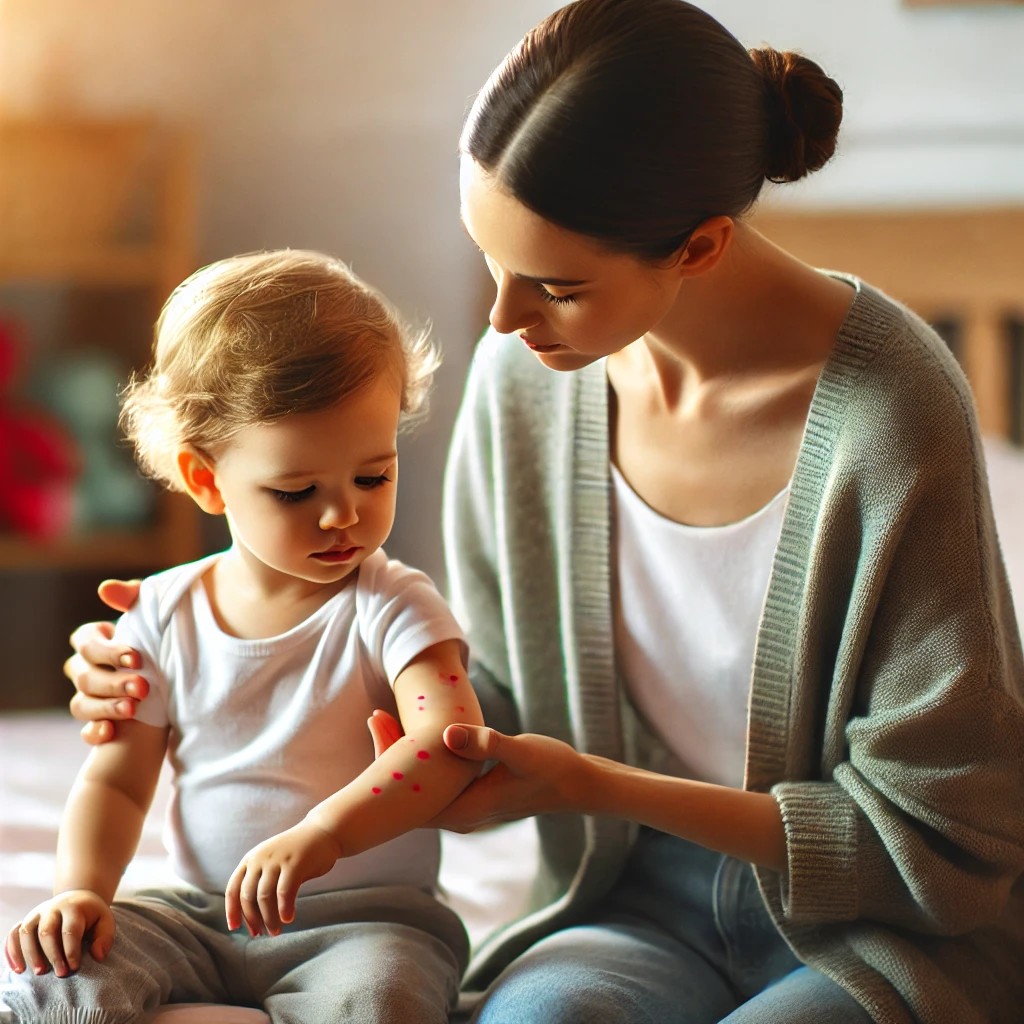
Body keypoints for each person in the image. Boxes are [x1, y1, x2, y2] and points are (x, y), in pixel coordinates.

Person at [63, 1, 1024, 1022]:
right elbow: (484, 699)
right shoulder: (525, 378)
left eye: (555, 285)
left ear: (697, 248)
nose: (503, 318)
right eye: (491, 257)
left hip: (869, 936)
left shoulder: (891, 412)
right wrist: (191, 649)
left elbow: (943, 840)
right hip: (626, 912)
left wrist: (589, 784)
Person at [3, 249, 484, 1024]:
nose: (343, 516)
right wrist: (82, 892)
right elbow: (117, 781)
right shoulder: (160, 612)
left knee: (381, 1000)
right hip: (198, 914)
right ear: (204, 479)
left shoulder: (393, 605)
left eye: (373, 476)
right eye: (297, 491)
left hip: (366, 921)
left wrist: (324, 835)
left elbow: (449, 743)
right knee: (55, 987)